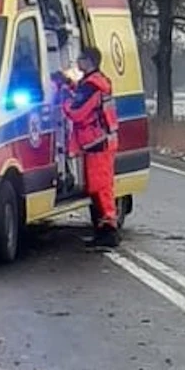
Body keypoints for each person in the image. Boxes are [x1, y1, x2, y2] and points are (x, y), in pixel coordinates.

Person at [56, 46, 120, 248]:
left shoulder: (92, 86)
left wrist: (64, 96)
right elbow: (84, 93)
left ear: (89, 61)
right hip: (100, 140)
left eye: (80, 59)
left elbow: (76, 112)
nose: (77, 62)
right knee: (99, 187)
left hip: (97, 142)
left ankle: (108, 232)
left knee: (100, 189)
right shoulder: (96, 81)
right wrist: (70, 85)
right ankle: (103, 230)